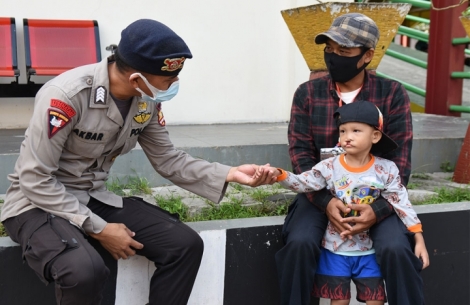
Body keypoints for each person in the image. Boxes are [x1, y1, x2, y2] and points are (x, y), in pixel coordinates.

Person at [0, 19, 274, 305]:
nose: (174, 85)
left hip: (90, 196)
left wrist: (231, 173)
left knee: (185, 245)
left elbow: (167, 158)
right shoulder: (66, 96)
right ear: (136, 79)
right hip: (36, 203)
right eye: (168, 81)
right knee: (84, 271)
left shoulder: (146, 101)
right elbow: (34, 179)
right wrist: (101, 228)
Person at [276, 13, 425, 305]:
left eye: (344, 51)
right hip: (318, 194)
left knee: (396, 248)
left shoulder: (391, 94)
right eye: (329, 49)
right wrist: (326, 202)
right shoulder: (308, 94)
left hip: (376, 196)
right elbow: (301, 154)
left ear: (367, 55)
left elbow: (400, 163)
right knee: (299, 243)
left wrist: (377, 210)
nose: (333, 57)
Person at [256, 101, 430, 305]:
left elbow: (401, 203)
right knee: (339, 300)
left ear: (375, 136)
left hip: (369, 250)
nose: (347, 137)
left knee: (376, 300)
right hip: (336, 248)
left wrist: (418, 238)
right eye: (343, 131)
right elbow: (303, 183)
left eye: (356, 130)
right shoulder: (328, 167)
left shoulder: (387, 169)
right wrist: (279, 174)